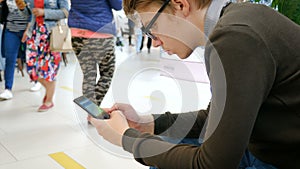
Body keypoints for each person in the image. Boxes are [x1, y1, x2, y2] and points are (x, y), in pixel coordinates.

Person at [87, 0, 300, 169]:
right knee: (164, 145)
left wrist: (126, 138)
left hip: (279, 159)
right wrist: (148, 123)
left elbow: (212, 164)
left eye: (151, 29)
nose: (155, 42)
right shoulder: (238, 20)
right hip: (264, 147)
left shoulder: (235, 38)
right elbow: (215, 119)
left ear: (180, 5)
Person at [16, 0, 69, 111]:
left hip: (51, 33)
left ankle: (49, 100)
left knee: (50, 68)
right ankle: (50, 90)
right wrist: (21, 8)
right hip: (34, 33)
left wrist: (44, 12)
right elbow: (29, 15)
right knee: (31, 68)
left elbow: (65, 12)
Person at [68, 0, 122, 106]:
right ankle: (93, 110)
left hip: (77, 34)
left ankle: (90, 110)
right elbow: (118, 6)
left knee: (89, 75)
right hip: (100, 34)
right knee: (107, 73)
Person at [0, 0, 29, 100]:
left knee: (31, 57)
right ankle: (8, 88)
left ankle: (36, 80)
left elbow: (31, 14)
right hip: (10, 29)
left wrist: (28, 30)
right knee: (10, 59)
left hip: (27, 29)